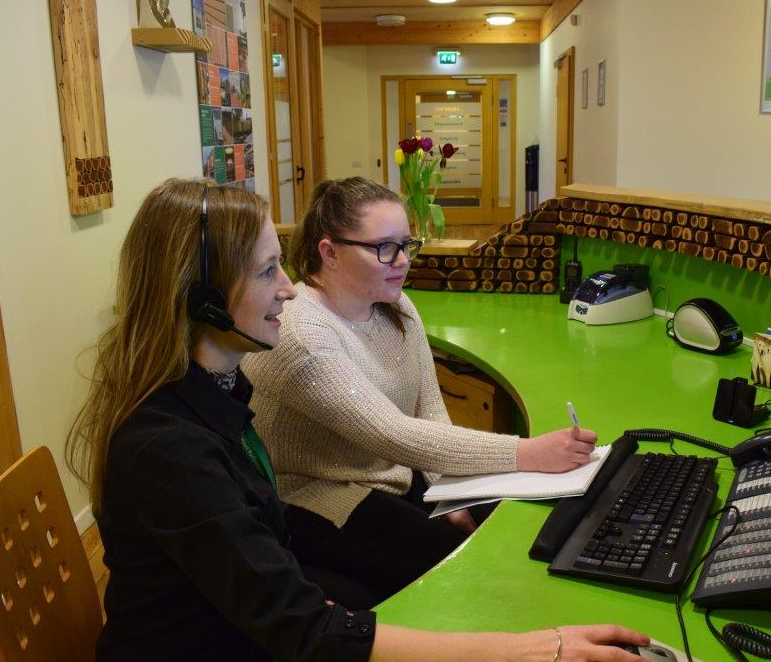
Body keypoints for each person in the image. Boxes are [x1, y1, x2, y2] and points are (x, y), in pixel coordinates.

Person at [65, 178, 650, 661]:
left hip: (235, 617)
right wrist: (533, 650)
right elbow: (303, 632)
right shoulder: (171, 450)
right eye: (268, 271)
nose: (289, 291)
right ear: (202, 298)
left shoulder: (218, 391)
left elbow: (262, 576)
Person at [244, 177, 598, 602]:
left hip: (388, 475)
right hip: (316, 494)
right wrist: (529, 452)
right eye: (383, 248)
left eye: (407, 245)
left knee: (505, 522)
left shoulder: (394, 304)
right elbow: (392, 433)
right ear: (329, 252)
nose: (401, 261)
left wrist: (450, 494)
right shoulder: (301, 336)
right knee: (461, 567)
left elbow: (428, 407)